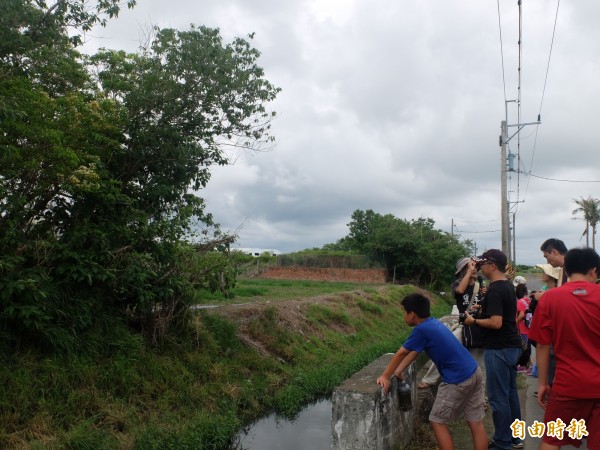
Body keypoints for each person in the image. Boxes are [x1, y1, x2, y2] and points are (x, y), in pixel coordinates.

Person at [376, 293, 488, 450]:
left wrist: (385, 376)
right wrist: (399, 370)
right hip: (473, 371)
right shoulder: (433, 323)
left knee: (437, 421)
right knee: (475, 422)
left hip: (458, 379)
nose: (404, 316)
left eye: (404, 312)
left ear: (412, 314)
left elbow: (401, 352)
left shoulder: (421, 330)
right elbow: (414, 351)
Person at [528, 247, 600, 449]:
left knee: (551, 439)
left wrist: (542, 383)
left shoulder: (550, 298)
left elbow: (542, 345)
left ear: (566, 271)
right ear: (593, 271)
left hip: (568, 384)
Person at [463, 249, 523, 450]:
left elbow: (496, 322)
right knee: (510, 394)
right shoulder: (506, 286)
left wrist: (474, 321)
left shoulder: (497, 289)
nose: (480, 267)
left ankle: (503, 441)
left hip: (499, 347)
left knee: (498, 398)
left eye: (483, 264)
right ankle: (516, 437)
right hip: (511, 346)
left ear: (493, 265)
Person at [417, 257, 487, 394]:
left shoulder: (480, 285)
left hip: (479, 327)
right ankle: (429, 379)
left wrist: (485, 298)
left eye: (475, 266)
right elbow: (460, 292)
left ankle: (481, 398)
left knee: (480, 366)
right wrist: (468, 273)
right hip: (465, 327)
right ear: (462, 271)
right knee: (445, 348)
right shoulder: (456, 284)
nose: (474, 269)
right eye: (469, 266)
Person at [514, 283, 530, 373]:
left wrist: (514, 322)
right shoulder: (527, 300)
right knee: (527, 347)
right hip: (528, 327)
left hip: (521, 327)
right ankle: (528, 365)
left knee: (522, 347)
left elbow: (521, 314)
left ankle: (522, 366)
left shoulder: (519, 301)